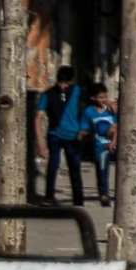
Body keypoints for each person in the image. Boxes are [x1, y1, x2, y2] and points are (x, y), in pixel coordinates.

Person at [39, 65, 92, 206]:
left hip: (74, 136)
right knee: (53, 165)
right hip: (55, 134)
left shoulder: (79, 92)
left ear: (71, 81)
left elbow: (89, 111)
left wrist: (85, 130)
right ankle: (49, 197)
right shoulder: (48, 94)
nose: (63, 86)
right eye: (60, 83)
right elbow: (38, 117)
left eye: (65, 83)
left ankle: (78, 200)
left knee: (74, 167)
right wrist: (40, 142)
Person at [85, 88, 119, 204]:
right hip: (98, 144)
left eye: (105, 97)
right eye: (100, 97)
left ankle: (108, 194)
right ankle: (103, 193)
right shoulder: (89, 112)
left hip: (112, 143)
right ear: (93, 98)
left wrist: (113, 143)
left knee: (107, 165)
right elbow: (85, 127)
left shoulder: (111, 110)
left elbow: (117, 127)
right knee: (100, 168)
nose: (103, 100)